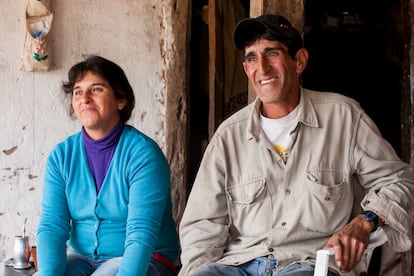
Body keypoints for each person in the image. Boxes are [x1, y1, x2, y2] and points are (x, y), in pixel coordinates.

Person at [178, 14, 414, 276]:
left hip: (310, 264)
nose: (263, 68)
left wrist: (366, 220)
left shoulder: (344, 117)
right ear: (246, 69)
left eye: (272, 53)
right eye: (252, 57)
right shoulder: (228, 136)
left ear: (299, 60)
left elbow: (401, 182)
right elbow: (202, 224)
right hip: (239, 264)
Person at [36, 55, 179, 276]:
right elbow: (52, 227)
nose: (84, 98)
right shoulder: (61, 156)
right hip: (82, 257)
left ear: (120, 100)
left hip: (144, 258)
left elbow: (141, 234)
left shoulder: (143, 155)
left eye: (96, 89)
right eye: (77, 92)